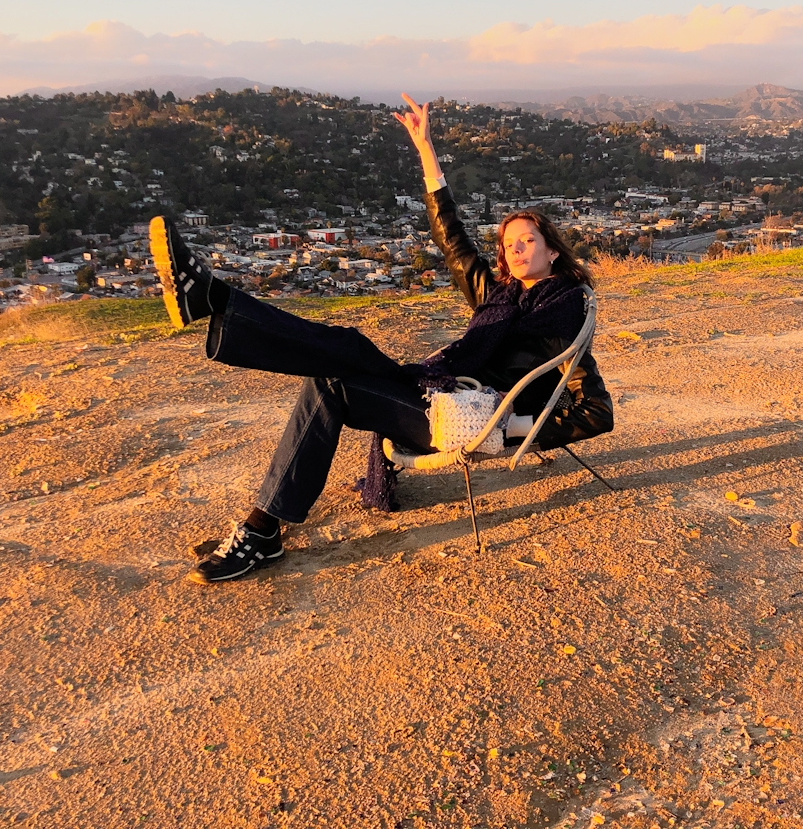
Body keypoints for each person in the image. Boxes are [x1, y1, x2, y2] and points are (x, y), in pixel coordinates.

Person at [150, 95, 613, 584]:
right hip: (437, 394)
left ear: (553, 252)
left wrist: (511, 429)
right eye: (508, 244)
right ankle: (214, 300)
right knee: (341, 356)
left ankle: (262, 526)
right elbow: (451, 236)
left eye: (529, 241)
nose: (517, 250)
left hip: (467, 417)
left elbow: (597, 412)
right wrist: (426, 149)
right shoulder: (495, 294)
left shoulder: (563, 311)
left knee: (334, 375)